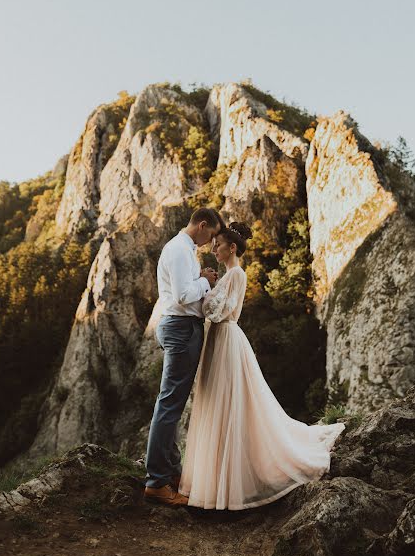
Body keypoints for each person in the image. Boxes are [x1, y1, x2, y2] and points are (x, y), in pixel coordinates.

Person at [178, 221, 346, 510]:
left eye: (218, 245)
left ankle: (229, 486)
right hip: (219, 340)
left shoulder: (236, 274)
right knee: (218, 404)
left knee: (229, 405)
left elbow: (215, 311)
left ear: (232, 248)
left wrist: (204, 291)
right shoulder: (230, 275)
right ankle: (218, 481)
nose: (214, 248)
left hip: (227, 338)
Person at [143, 207, 224, 506]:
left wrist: (201, 279)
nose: (211, 241)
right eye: (212, 235)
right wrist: (204, 281)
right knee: (169, 404)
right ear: (202, 226)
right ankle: (156, 482)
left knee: (173, 404)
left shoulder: (185, 250)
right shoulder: (178, 250)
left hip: (183, 328)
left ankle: (170, 471)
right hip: (179, 328)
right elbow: (182, 295)